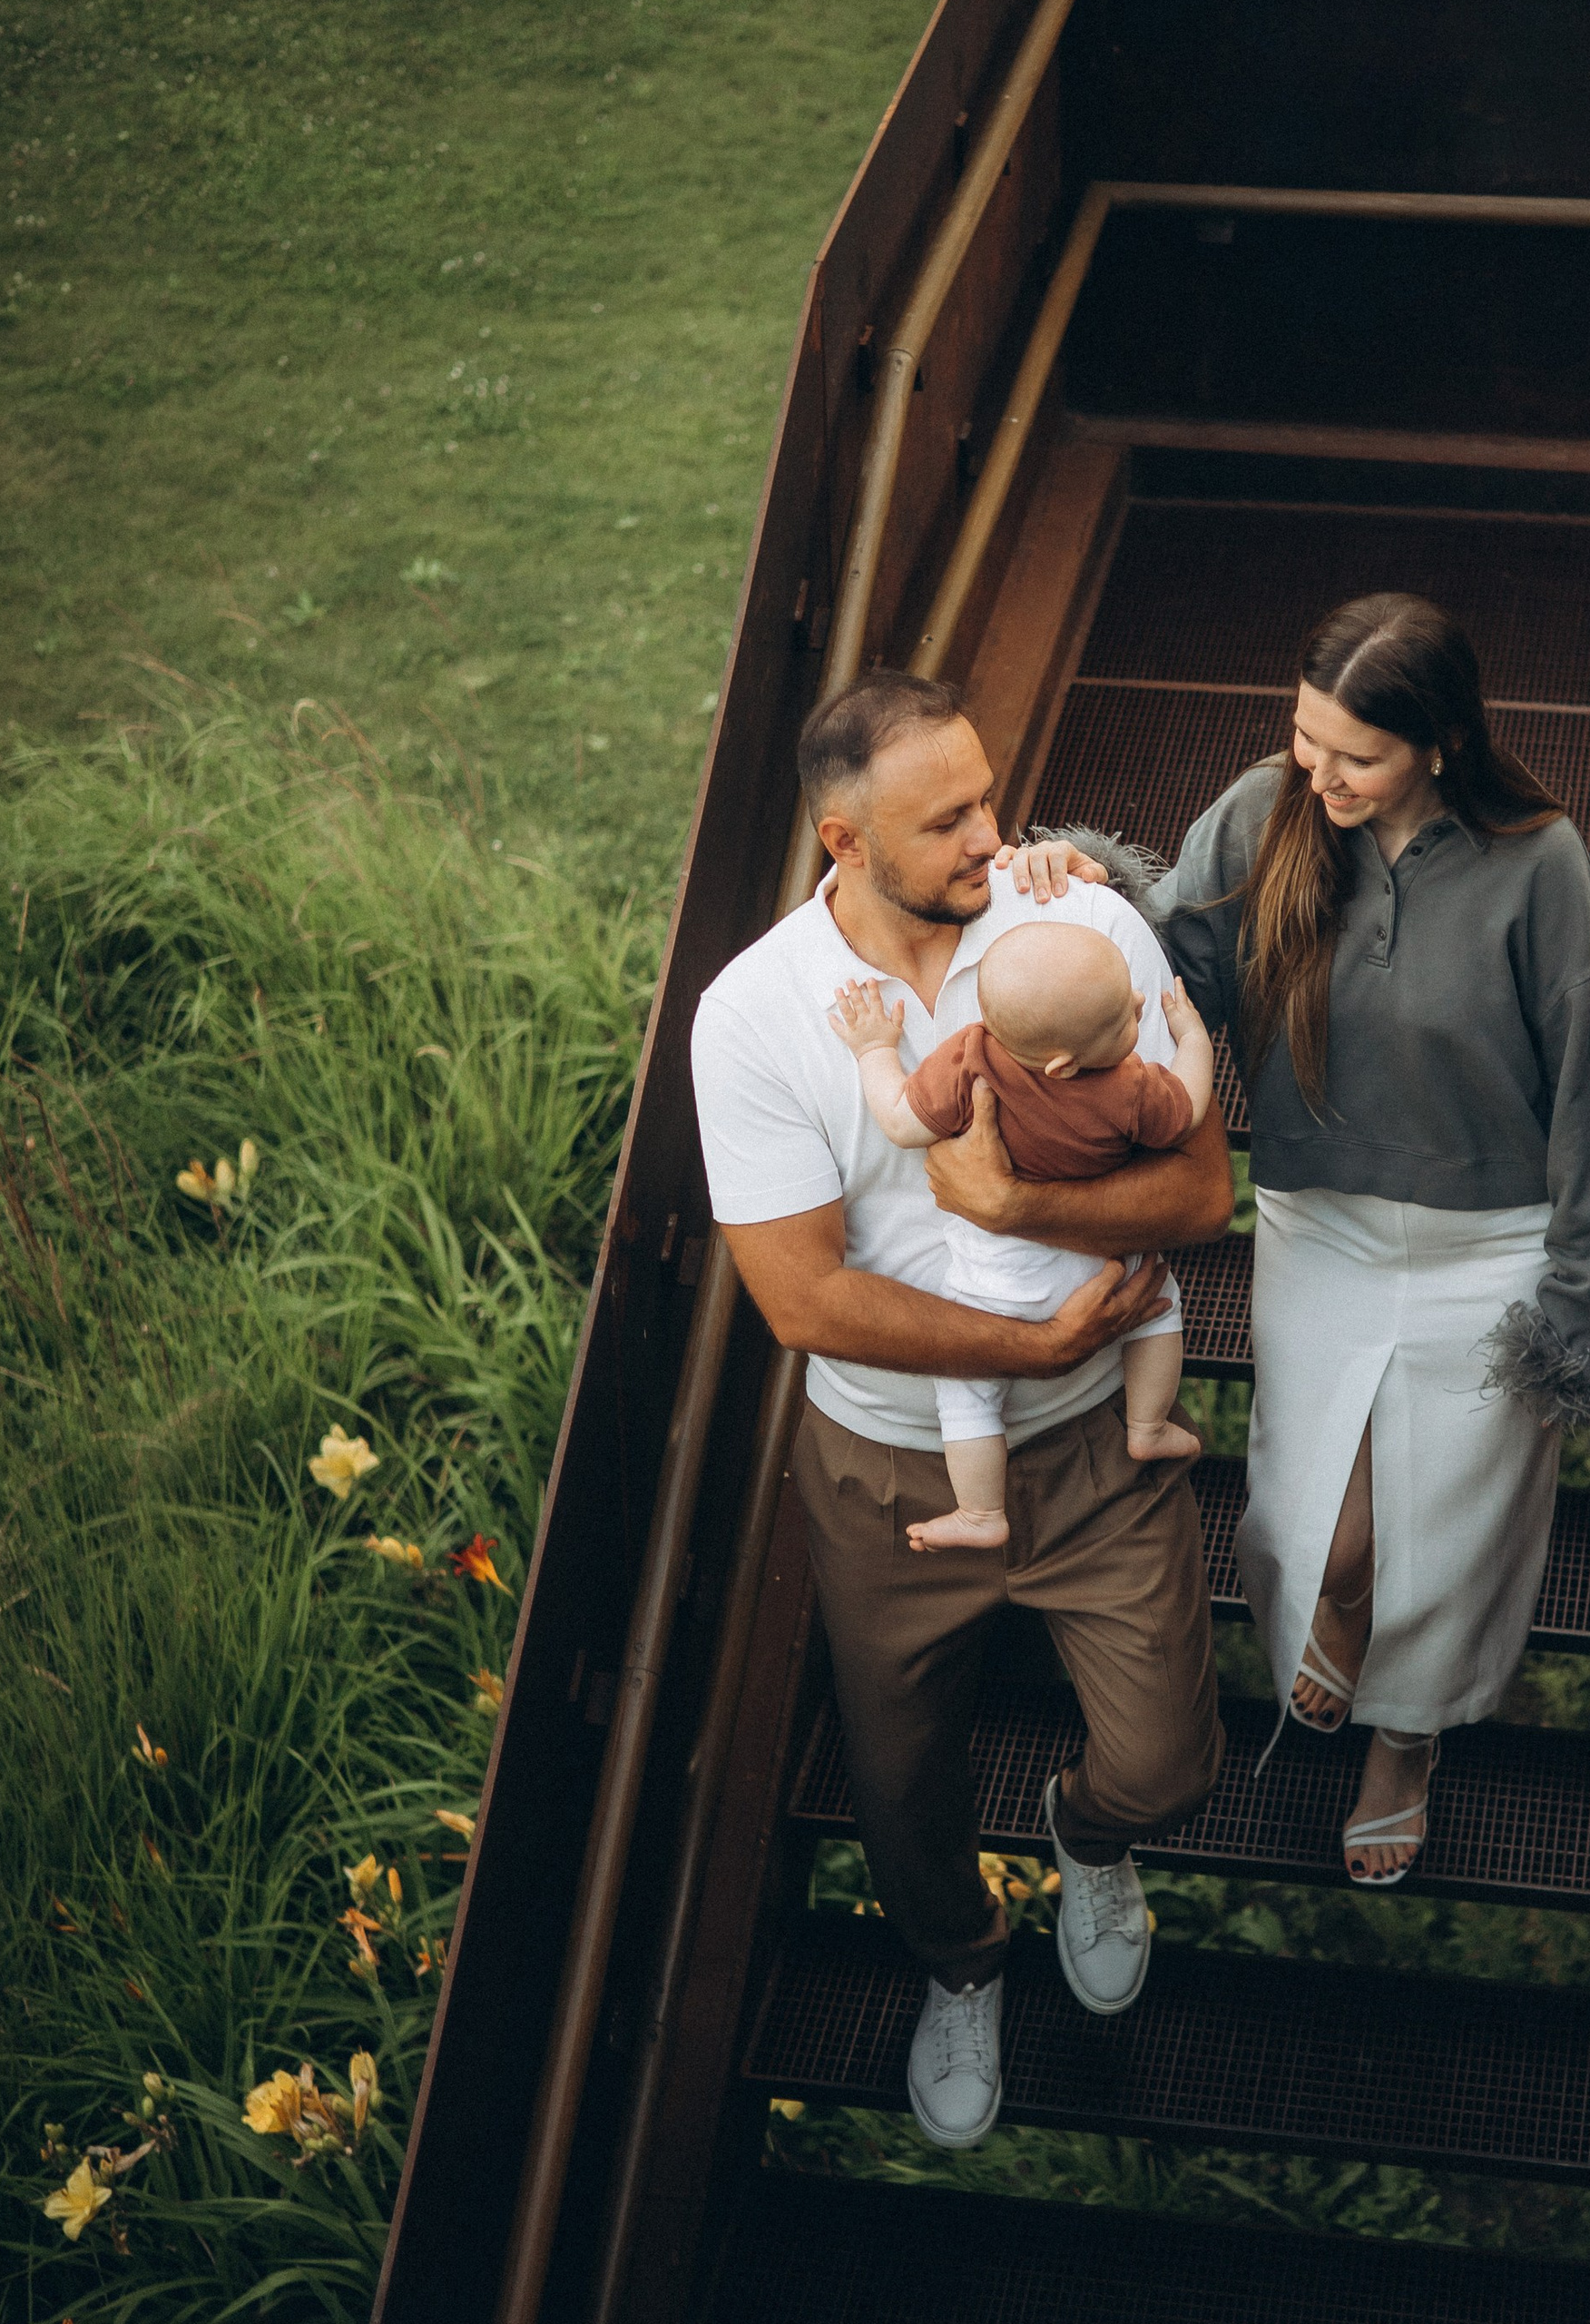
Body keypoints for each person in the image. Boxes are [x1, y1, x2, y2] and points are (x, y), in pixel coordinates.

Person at [1003, 593, 1590, 1886]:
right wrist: (1085, 902)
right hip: (1326, 1229)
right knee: (1323, 1530)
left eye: (1356, 753)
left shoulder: (1542, 864)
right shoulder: (1263, 813)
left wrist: (1589, 1291)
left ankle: (1406, 1741)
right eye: (1308, 737)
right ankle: (1336, 1629)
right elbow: (1165, 959)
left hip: (1497, 1243)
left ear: (1442, 745)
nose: (1322, 772)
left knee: (1456, 1531)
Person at [692, 670, 1231, 2150]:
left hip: (1093, 1455)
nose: (995, 837)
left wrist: (1017, 1220)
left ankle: (1090, 1838)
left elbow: (1200, 1187)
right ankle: (961, 1961)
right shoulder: (754, 1020)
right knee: (900, 1770)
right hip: (885, 1465)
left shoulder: (1079, 932)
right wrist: (1027, 1334)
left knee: (1170, 1758)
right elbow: (804, 1302)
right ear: (842, 845)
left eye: (993, 797)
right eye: (950, 822)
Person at [827, 920, 1212, 1551]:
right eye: (1123, 1021)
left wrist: (874, 1050)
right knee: (1157, 1308)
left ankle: (980, 1511)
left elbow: (900, 1123)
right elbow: (1190, 1110)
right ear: (1063, 1066)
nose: (1140, 1008)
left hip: (999, 1284)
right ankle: (1147, 1424)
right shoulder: (1131, 1086)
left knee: (967, 1392)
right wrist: (1191, 1038)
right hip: (1101, 1263)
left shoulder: (969, 1055)